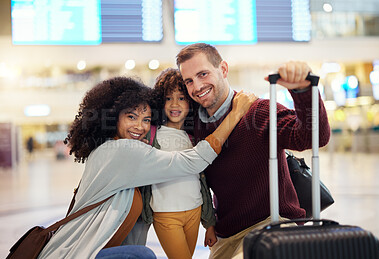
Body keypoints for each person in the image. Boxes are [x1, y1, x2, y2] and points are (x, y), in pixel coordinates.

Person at [37, 76, 257, 259]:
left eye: (146, 119)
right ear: (113, 117)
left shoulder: (109, 148)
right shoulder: (122, 151)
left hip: (94, 249)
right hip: (78, 253)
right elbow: (192, 161)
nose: (140, 127)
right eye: (131, 117)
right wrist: (236, 114)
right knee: (143, 256)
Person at [176, 43, 331, 259]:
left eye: (203, 74)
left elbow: (312, 137)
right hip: (227, 236)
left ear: (223, 69)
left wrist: (303, 90)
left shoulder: (258, 112)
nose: (197, 86)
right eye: (189, 81)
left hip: (273, 224)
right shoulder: (194, 125)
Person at [140, 68, 219, 259]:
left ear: (191, 102)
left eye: (182, 98)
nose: (174, 104)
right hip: (166, 214)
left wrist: (209, 224)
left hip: (194, 210)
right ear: (160, 102)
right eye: (168, 98)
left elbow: (202, 182)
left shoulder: (194, 138)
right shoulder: (151, 135)